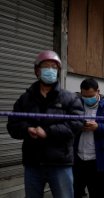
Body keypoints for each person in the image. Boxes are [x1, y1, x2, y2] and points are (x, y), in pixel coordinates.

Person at [7, 50, 84, 198]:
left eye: (54, 67)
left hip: (60, 163)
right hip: (33, 163)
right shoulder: (25, 99)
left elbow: (76, 124)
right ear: (37, 70)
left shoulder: (69, 98)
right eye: (46, 66)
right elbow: (12, 125)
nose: (50, 70)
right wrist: (27, 129)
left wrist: (48, 132)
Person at [73, 78, 104, 198]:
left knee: (101, 193)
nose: (88, 99)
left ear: (98, 91)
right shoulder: (76, 105)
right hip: (78, 158)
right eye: (85, 96)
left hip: (99, 159)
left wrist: (98, 127)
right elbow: (68, 123)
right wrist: (78, 125)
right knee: (75, 191)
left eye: (91, 95)